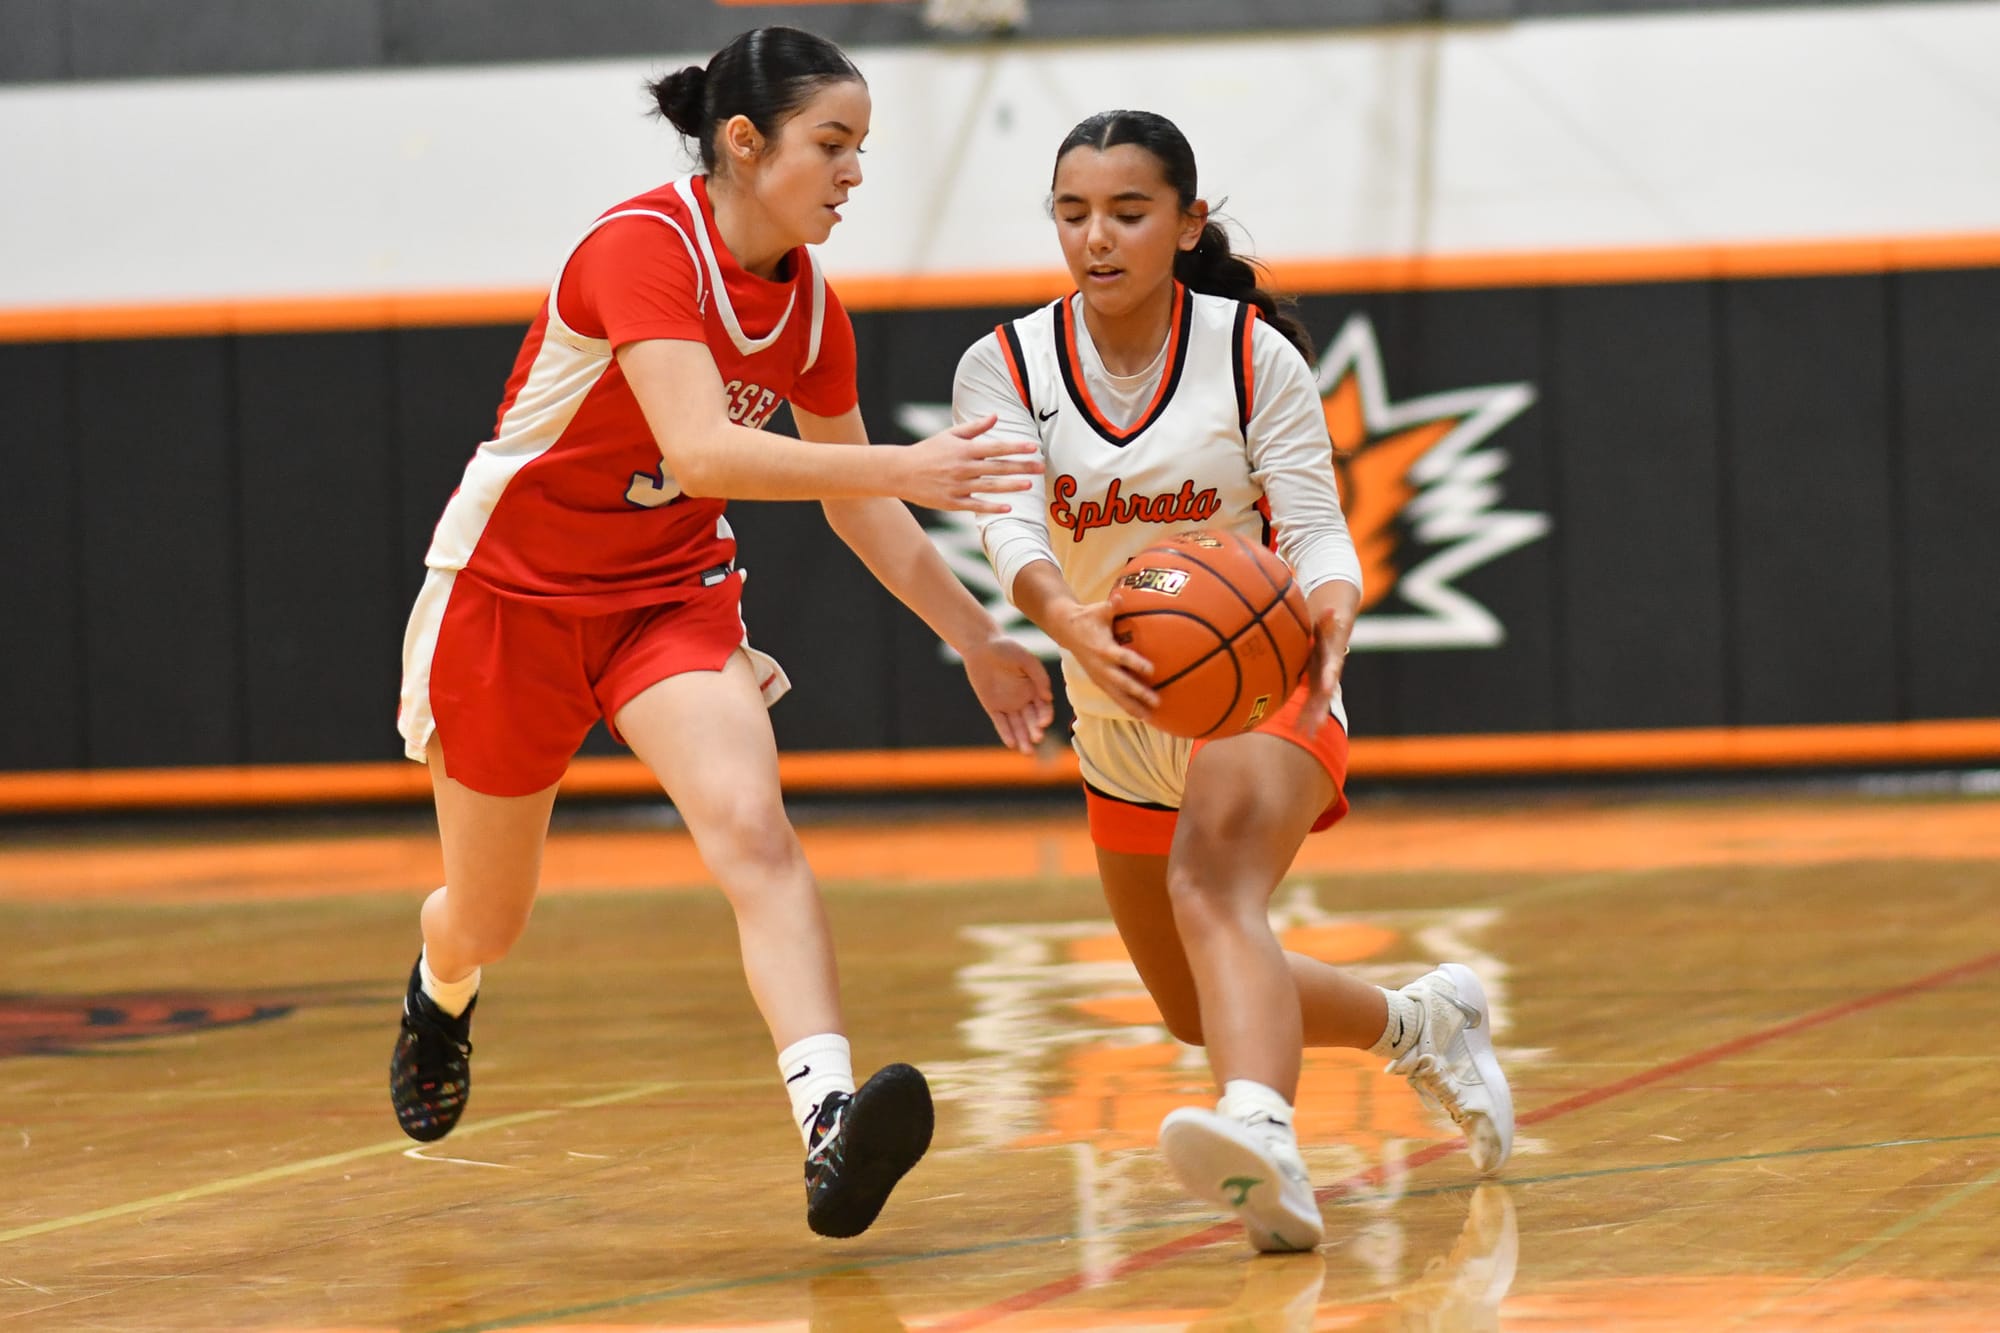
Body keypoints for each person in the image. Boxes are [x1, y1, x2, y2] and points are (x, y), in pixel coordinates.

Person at [389, 26, 1055, 1242]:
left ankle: (828, 1122)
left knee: (754, 828)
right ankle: (443, 986)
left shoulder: (811, 309)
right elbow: (701, 448)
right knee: (489, 913)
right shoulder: (639, 249)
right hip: (512, 599)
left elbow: (860, 505)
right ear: (744, 143)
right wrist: (904, 459)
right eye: (832, 145)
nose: (854, 174)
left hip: (664, 597)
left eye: (862, 148)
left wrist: (974, 635)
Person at [953, 110, 1513, 1253]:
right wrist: (1063, 615)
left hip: (1262, 682)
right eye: (1072, 214)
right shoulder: (1002, 363)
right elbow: (1006, 529)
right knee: (1185, 998)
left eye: (1126, 212)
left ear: (1184, 222)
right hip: (1114, 705)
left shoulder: (1252, 353)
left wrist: (1333, 608)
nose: (1095, 237)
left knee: (1213, 894)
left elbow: (1311, 528)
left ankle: (1261, 1130)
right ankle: (1421, 1025)